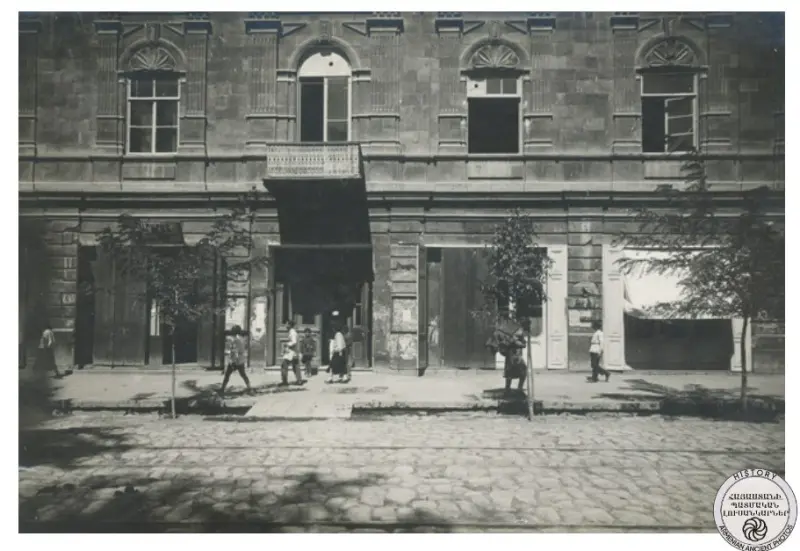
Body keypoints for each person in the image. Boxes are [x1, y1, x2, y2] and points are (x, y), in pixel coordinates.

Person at [221, 325, 252, 395]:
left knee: (227, 375)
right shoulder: (241, 338)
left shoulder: (235, 339)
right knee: (243, 374)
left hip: (235, 360)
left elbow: (235, 351)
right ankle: (249, 387)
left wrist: (233, 362)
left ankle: (222, 388)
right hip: (240, 360)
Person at [280, 320, 304, 386]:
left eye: (287, 324)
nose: (285, 326)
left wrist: (287, 344)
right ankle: (299, 381)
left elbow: (294, 342)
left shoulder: (292, 332)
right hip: (294, 352)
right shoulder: (292, 332)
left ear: (290, 325)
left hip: (291, 352)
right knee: (295, 366)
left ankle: (284, 382)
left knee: (284, 365)